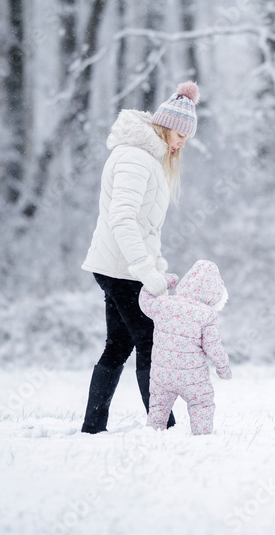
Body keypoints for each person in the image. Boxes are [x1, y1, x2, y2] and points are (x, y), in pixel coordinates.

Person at [79, 81, 199, 434]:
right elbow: (123, 219)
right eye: (180, 134)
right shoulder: (135, 157)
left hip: (119, 266)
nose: (181, 143)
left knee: (118, 345)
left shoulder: (146, 157)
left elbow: (145, 227)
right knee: (150, 340)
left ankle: (93, 426)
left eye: (187, 138)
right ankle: (164, 427)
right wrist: (146, 270)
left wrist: (154, 267)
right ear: (165, 125)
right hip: (123, 269)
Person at [139, 260, 232, 435]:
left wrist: (165, 281)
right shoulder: (207, 315)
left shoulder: (164, 304)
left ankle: (152, 433)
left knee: (158, 405)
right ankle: (201, 435)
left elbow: (144, 300)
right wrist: (223, 367)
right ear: (215, 292)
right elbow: (213, 347)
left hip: (162, 374)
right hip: (193, 377)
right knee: (202, 403)